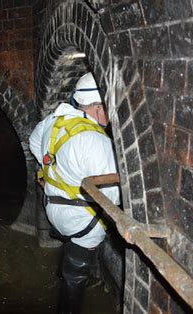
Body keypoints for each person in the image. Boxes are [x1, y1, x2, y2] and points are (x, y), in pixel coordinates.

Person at [29, 72, 120, 313]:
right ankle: (69, 293)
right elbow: (111, 199)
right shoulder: (96, 141)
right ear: (98, 107)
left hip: (52, 206)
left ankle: (63, 272)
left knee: (72, 248)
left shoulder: (53, 121)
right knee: (76, 273)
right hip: (81, 221)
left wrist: (52, 171)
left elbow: (34, 141)